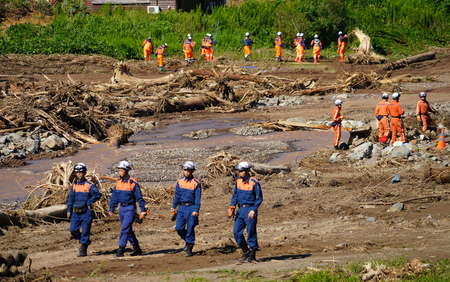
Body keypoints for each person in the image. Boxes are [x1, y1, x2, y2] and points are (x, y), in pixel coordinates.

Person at [109, 161, 147, 257]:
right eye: (119, 170)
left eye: (121, 170)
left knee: (124, 229)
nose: (119, 172)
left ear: (126, 171)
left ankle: (120, 250)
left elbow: (139, 198)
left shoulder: (133, 183)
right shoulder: (118, 183)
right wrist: (111, 209)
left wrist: (143, 210)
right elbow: (114, 197)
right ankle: (137, 249)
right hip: (121, 209)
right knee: (128, 230)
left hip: (130, 209)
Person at [229, 162, 263, 263]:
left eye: (242, 171)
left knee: (251, 232)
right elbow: (235, 195)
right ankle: (245, 251)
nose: (240, 173)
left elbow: (259, 198)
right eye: (239, 171)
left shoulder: (254, 182)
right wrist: (232, 207)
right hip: (241, 210)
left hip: (250, 210)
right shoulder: (238, 181)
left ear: (247, 171)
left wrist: (253, 209)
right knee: (236, 232)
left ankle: (252, 255)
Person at [67, 163, 101, 257]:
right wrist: (69, 210)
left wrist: (90, 201)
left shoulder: (89, 184)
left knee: (85, 231)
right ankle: (84, 241)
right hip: (76, 213)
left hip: (87, 212)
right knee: (73, 230)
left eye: (81, 172)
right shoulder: (74, 185)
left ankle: (83, 249)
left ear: (85, 172)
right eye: (77, 172)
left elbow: (98, 195)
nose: (79, 173)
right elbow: (70, 198)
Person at [171, 161, 202, 257]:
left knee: (190, 228)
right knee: (178, 228)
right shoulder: (180, 182)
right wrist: (173, 206)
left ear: (192, 171)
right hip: (182, 207)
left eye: (188, 170)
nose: (186, 172)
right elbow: (177, 195)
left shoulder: (196, 183)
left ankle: (189, 248)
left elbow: (198, 199)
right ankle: (188, 241)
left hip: (192, 207)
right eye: (185, 170)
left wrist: (196, 210)